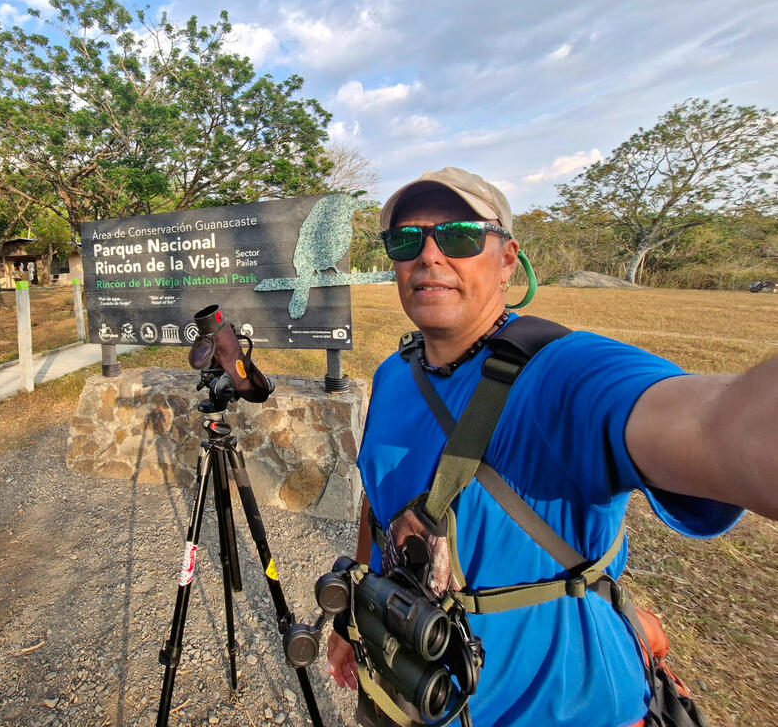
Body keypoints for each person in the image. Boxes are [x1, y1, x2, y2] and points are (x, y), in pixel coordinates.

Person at [325, 167, 778, 727]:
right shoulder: (393, 374)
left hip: (556, 708)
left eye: (460, 236)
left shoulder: (560, 374)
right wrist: (354, 617)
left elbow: (721, 427)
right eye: (406, 239)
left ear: (508, 259)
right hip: (410, 691)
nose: (430, 256)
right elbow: (380, 497)